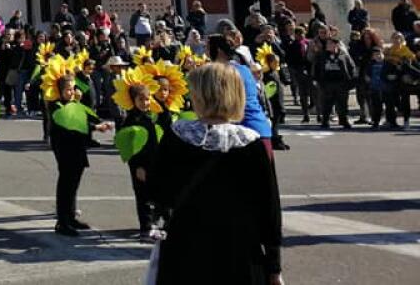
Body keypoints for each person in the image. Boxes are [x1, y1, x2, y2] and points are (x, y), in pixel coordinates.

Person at [150, 62, 282, 285]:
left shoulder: (177, 136)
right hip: (239, 249)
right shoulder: (251, 143)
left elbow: (157, 191)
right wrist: (274, 266)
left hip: (185, 246)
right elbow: (269, 211)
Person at [49, 74, 112, 236]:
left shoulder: (73, 104)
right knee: (66, 185)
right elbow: (72, 122)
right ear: (60, 90)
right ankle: (62, 222)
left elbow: (81, 120)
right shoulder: (56, 106)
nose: (71, 92)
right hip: (65, 149)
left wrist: (97, 126)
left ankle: (70, 217)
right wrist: (95, 127)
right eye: (68, 89)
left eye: (73, 89)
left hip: (77, 148)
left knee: (73, 184)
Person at [114, 76, 160, 242]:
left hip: (152, 162)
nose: (145, 103)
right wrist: (138, 166)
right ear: (133, 100)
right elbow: (130, 147)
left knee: (150, 194)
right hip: (140, 165)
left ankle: (150, 224)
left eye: (147, 99)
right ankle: (145, 229)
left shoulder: (148, 116)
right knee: (143, 196)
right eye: (141, 100)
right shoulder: (132, 119)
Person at [312, 35, 356, 129]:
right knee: (326, 103)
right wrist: (316, 79)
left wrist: (351, 81)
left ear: (336, 45)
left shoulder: (343, 55)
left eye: (330, 44)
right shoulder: (322, 55)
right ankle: (325, 121)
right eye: (327, 44)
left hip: (341, 83)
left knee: (342, 103)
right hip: (327, 83)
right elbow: (316, 68)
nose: (328, 45)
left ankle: (343, 120)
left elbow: (351, 67)